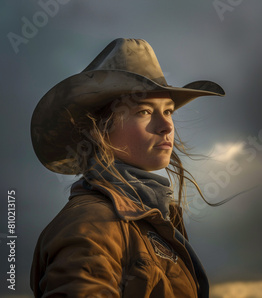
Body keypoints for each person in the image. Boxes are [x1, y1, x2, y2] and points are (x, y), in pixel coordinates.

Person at [30, 38, 225, 297]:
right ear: (97, 129)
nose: (166, 126)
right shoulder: (91, 224)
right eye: (144, 111)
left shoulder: (150, 216)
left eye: (168, 112)